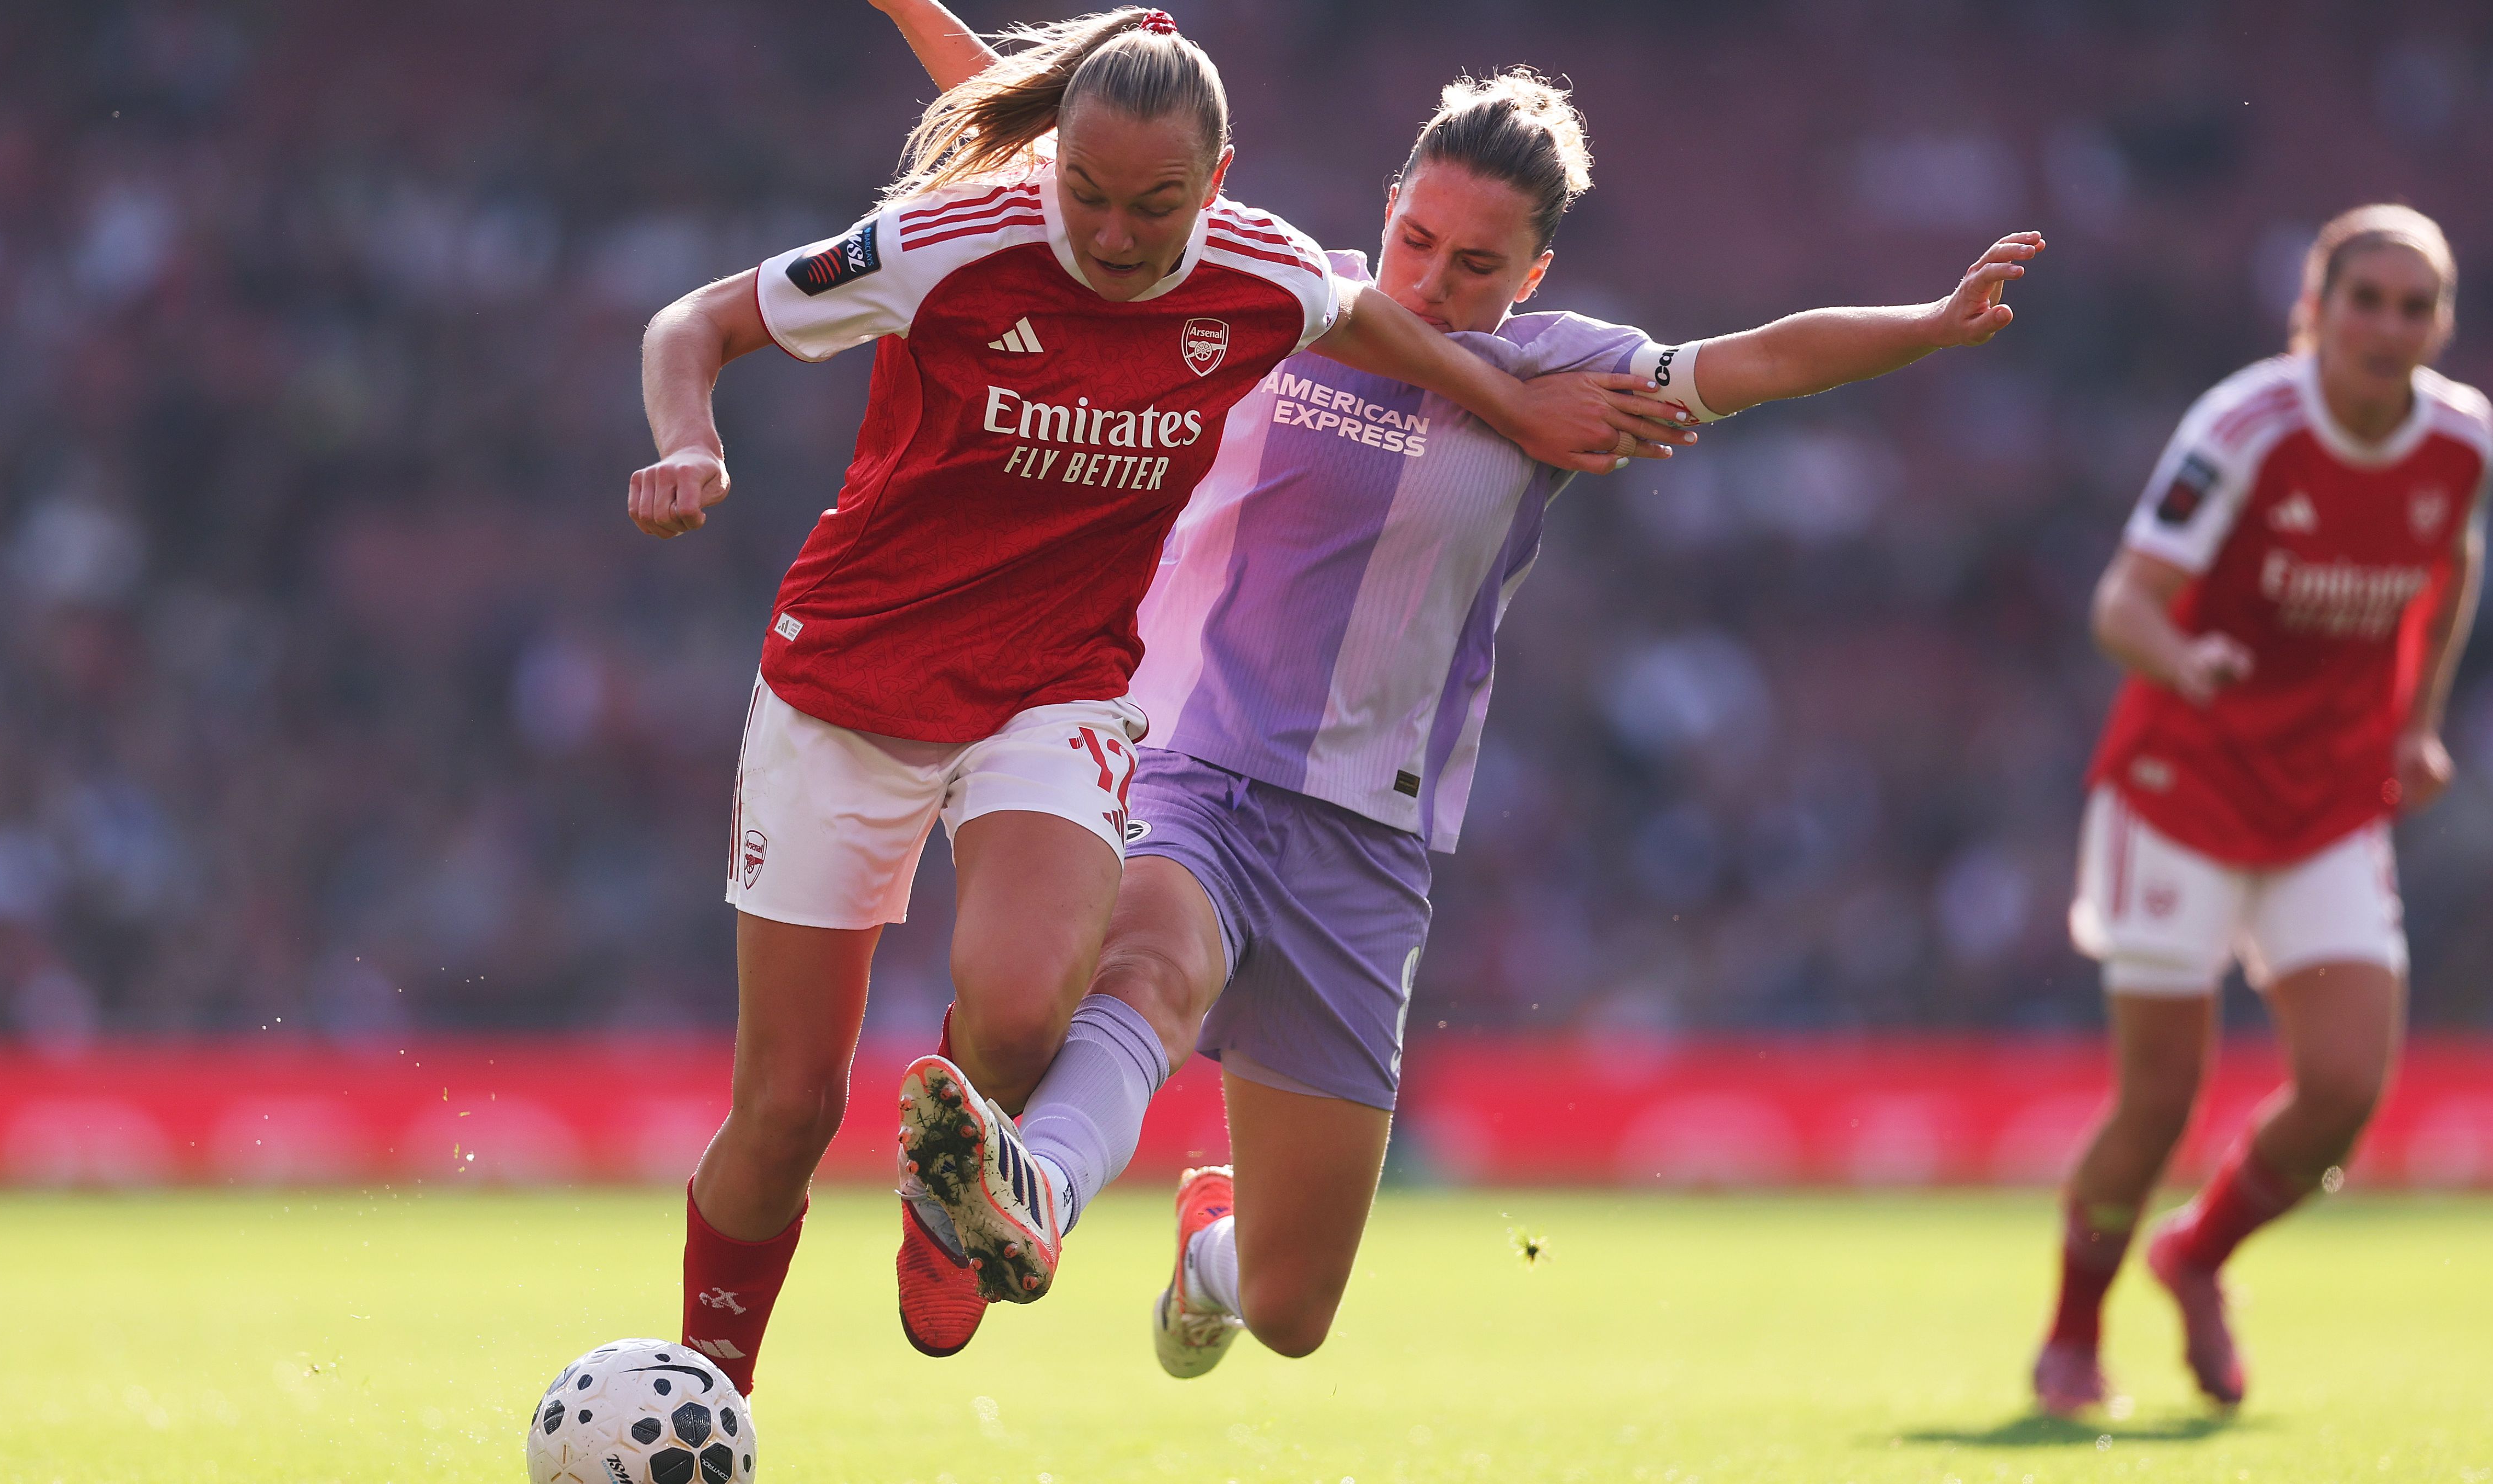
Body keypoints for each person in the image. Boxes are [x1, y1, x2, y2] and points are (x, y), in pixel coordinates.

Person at [873, 0, 2042, 1370]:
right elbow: (1058, 148)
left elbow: (1763, 359)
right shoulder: (1280, 289)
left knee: (1292, 1309)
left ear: (1534, 272)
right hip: (1185, 757)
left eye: (1478, 264)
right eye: (1417, 240)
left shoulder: (1564, 377)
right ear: (1388, 209)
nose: (1432, 281)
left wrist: (1930, 322)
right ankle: (1037, 1190)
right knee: (1153, 968)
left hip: (1363, 838)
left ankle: (1209, 1253)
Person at [631, 5, 1696, 1392]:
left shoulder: (1261, 269)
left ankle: (966, 1197)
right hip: (852, 679)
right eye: (1086, 193)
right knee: (786, 1108)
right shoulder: (953, 240)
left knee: (1028, 1011)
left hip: (1058, 687)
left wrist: (1510, 403)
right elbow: (697, 318)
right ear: (1054, 168)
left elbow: (1376, 322)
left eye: (1155, 205)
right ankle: (708, 1391)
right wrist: (688, 441)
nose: (1117, 235)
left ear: (1215, 185)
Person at [2033, 204, 2493, 1415]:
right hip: (2181, 788)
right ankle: (2073, 1335)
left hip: (2329, 797)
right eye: (2366, 301)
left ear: (2441, 324)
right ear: (2315, 311)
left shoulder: (2462, 440)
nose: (2388, 327)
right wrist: (2184, 662)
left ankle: (2196, 1254)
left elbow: (2451, 568)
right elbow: (2122, 603)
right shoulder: (2244, 428)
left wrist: (2417, 721)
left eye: (2415, 307)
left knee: (2343, 1087)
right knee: (2159, 1103)